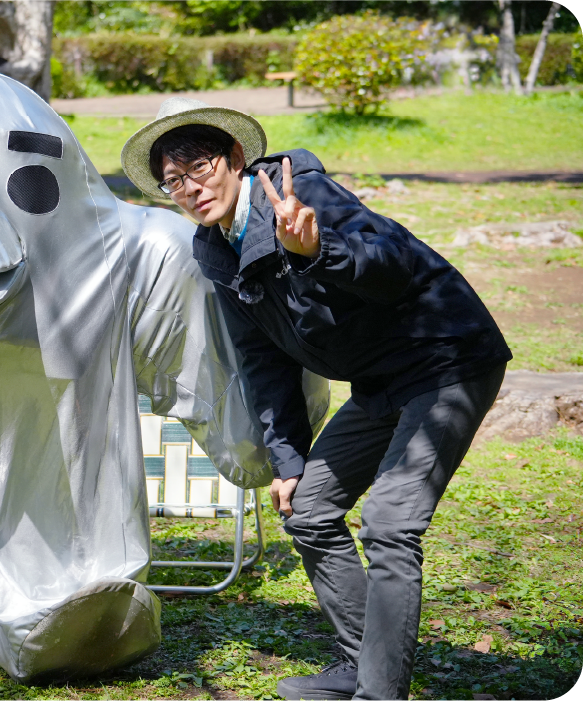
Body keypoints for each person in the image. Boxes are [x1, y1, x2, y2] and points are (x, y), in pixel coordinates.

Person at [121, 97, 511, 701]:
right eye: (174, 181)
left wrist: (316, 250)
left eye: (198, 167)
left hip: (445, 358)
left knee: (389, 523)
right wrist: (289, 459)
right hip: (379, 382)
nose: (189, 189)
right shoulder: (216, 247)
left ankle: (380, 693)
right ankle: (359, 665)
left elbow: (393, 266)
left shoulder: (302, 193)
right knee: (309, 507)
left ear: (234, 158)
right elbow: (262, 358)